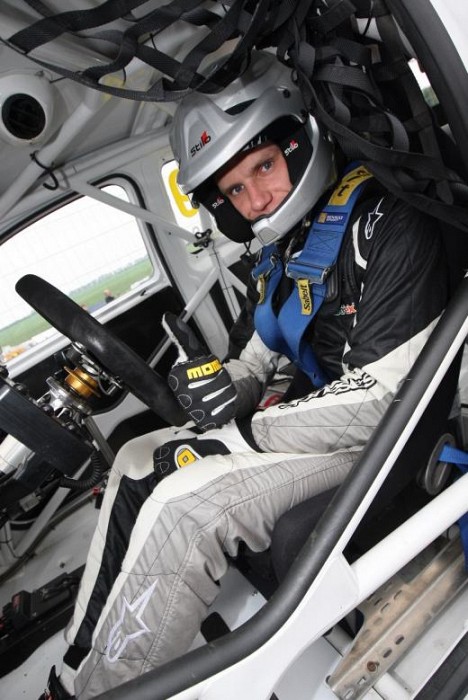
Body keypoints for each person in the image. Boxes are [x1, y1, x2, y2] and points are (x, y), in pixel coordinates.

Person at [41, 52, 449, 699]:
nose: (257, 199)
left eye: (263, 166)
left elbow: (382, 399)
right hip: (309, 422)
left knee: (184, 507)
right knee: (138, 457)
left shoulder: (389, 221)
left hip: (379, 438)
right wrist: (224, 385)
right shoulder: (284, 252)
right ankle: (76, 664)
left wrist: (238, 436)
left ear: (298, 142)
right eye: (235, 190)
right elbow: (259, 361)